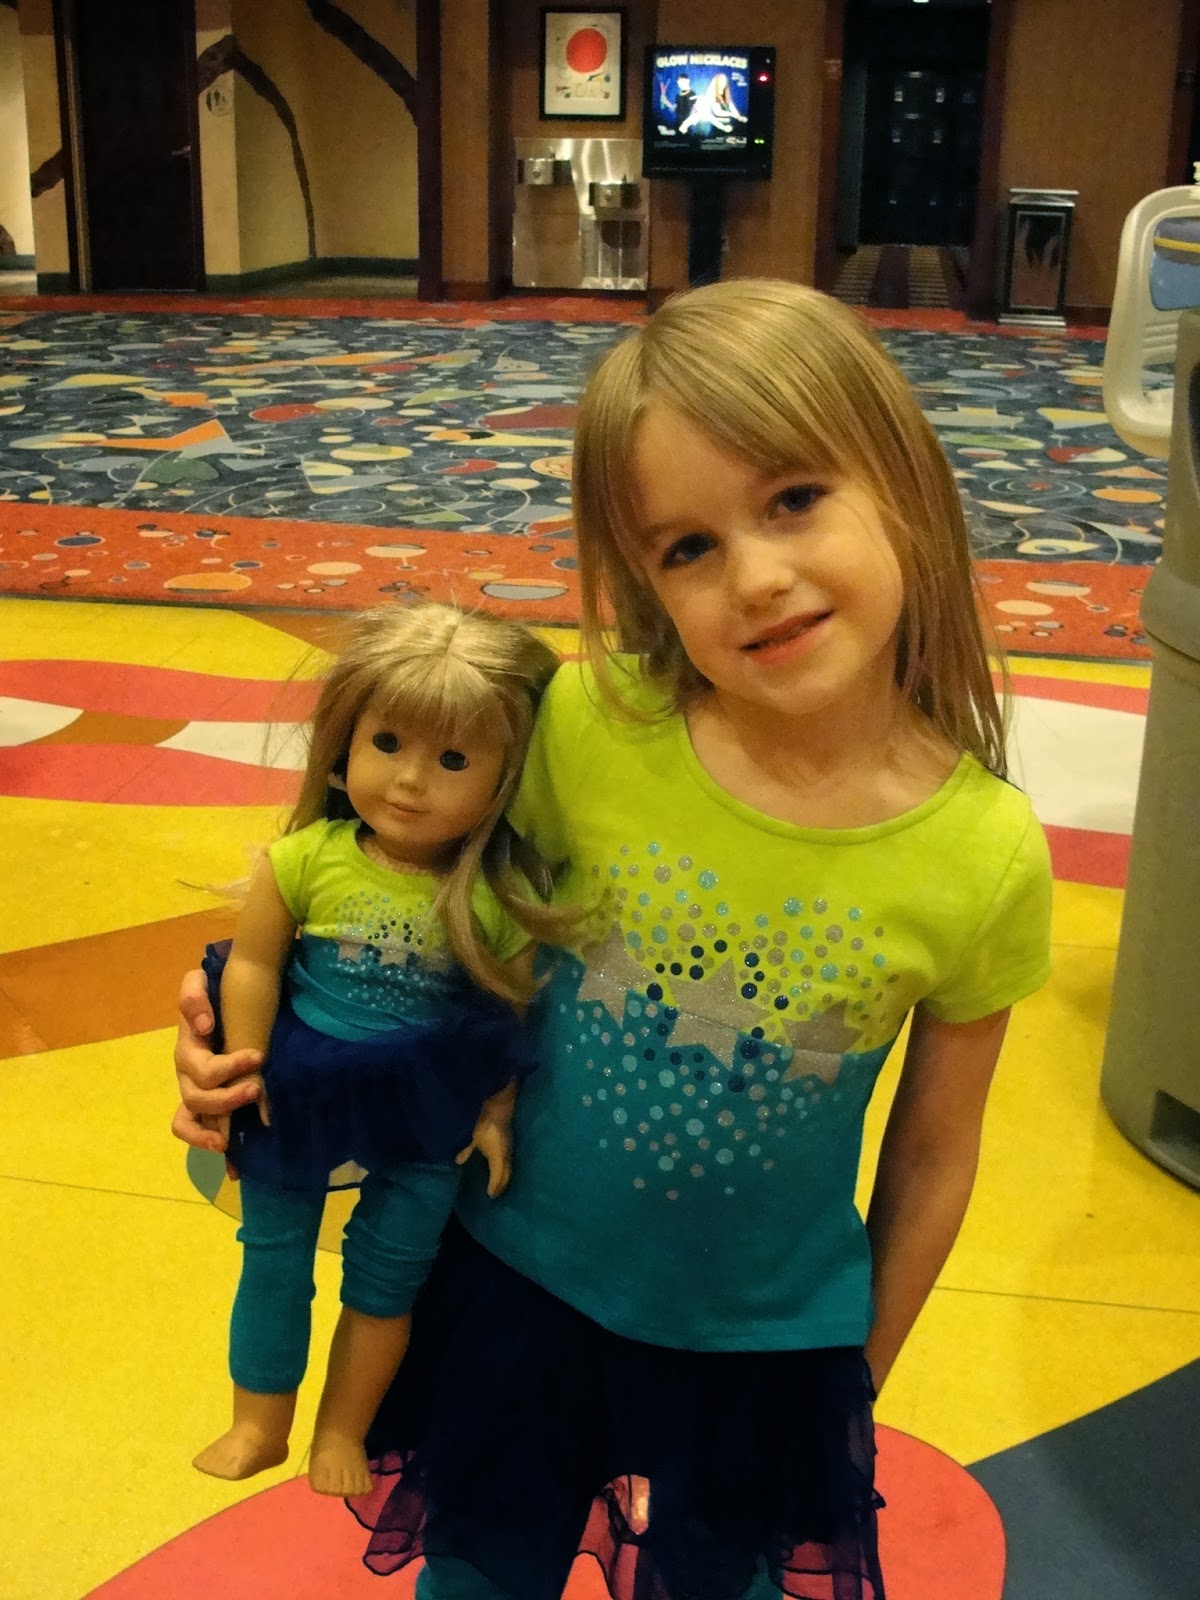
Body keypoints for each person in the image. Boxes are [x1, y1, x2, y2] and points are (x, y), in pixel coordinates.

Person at [173, 279, 1053, 1600]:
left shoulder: (986, 853)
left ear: (906, 485)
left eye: (794, 498)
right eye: (688, 546)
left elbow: (934, 1150)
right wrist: (235, 1020)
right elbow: (387, 893)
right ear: (643, 579)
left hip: (761, 1350)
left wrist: (854, 1376)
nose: (756, 577)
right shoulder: (584, 728)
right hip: (511, 1288)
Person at [186, 603, 566, 1498]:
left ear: (507, 779)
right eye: (386, 743)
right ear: (344, 740)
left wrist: (496, 1112)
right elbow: (254, 965)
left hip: (426, 1102)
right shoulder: (303, 860)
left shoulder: (494, 896)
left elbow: (507, 1015)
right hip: (300, 1084)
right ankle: (258, 1421)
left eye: (455, 761)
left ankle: (342, 1431)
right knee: (272, 1256)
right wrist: (245, 1063)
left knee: (388, 1281)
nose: (409, 781)